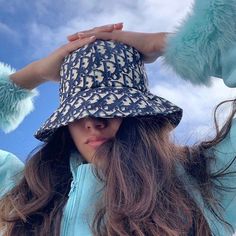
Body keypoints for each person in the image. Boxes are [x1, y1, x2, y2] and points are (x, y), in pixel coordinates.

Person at [0, 0, 236, 235]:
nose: (93, 122)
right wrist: (34, 72)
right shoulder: (25, 197)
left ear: (140, 115)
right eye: (78, 112)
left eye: (111, 106)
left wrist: (168, 43)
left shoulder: (206, 182)